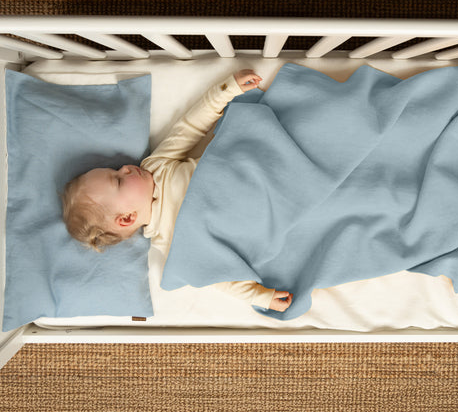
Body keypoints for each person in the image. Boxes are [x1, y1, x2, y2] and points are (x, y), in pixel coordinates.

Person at [62, 69, 293, 313]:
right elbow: (216, 276)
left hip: (251, 172)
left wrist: (226, 90)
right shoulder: (168, 241)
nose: (126, 168)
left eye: (115, 169)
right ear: (127, 218)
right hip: (257, 218)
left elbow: (189, 127)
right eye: (118, 180)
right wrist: (260, 297)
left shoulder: (155, 167)